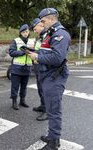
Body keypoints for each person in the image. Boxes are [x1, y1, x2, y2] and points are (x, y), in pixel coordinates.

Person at [28, 8, 71, 150]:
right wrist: (36, 54)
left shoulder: (60, 34)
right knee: (52, 108)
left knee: (53, 110)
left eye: (43, 21)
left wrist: (38, 57)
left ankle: (54, 142)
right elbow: (47, 52)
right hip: (48, 75)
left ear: (52, 19)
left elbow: (58, 58)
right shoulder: (49, 34)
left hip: (54, 76)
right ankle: (52, 136)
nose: (42, 23)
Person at [8, 24, 33, 110]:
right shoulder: (16, 41)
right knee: (15, 86)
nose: (26, 33)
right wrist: (23, 52)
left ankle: (22, 100)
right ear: (20, 33)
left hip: (27, 68)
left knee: (24, 86)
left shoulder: (31, 41)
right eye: (24, 32)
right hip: (17, 68)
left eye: (27, 31)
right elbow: (11, 52)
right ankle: (14, 101)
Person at [30, 18, 48, 121]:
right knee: (40, 88)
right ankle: (43, 106)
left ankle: (47, 111)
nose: (34, 31)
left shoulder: (47, 37)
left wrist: (38, 57)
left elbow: (48, 53)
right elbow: (39, 50)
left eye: (34, 28)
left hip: (43, 67)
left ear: (41, 25)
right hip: (38, 66)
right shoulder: (39, 37)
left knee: (45, 89)